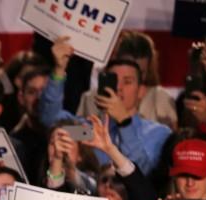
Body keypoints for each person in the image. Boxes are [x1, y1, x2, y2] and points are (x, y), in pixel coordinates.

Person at [41, 37, 171, 177]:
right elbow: (51, 121)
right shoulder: (89, 131)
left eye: (127, 82)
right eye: (114, 80)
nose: (119, 88)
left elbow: (144, 172)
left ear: (141, 91)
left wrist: (124, 122)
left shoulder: (157, 133)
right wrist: (59, 70)